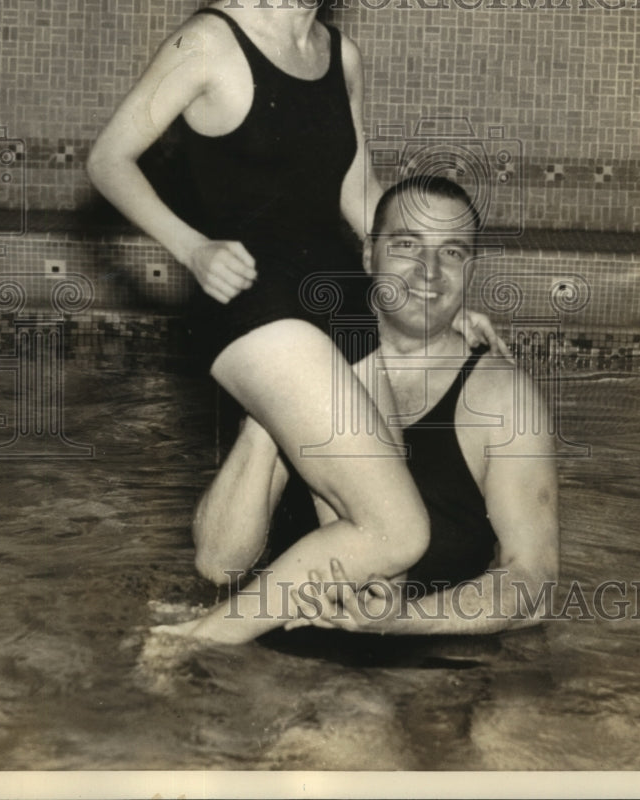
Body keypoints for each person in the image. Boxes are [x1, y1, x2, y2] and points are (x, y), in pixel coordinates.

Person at [88, 0, 502, 644]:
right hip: (257, 303)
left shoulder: (340, 56)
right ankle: (188, 647)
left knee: (272, 565)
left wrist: (440, 299)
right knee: (396, 532)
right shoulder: (208, 43)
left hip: (339, 299)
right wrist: (193, 247)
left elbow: (359, 195)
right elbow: (108, 158)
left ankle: (256, 474)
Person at [194, 176, 560, 635]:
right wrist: (269, 408)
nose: (429, 270)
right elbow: (218, 565)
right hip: (281, 670)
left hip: (428, 676)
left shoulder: (502, 398)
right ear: (369, 254)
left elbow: (533, 581)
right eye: (408, 244)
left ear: (470, 269)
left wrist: (398, 622)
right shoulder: (310, 372)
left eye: (452, 251)